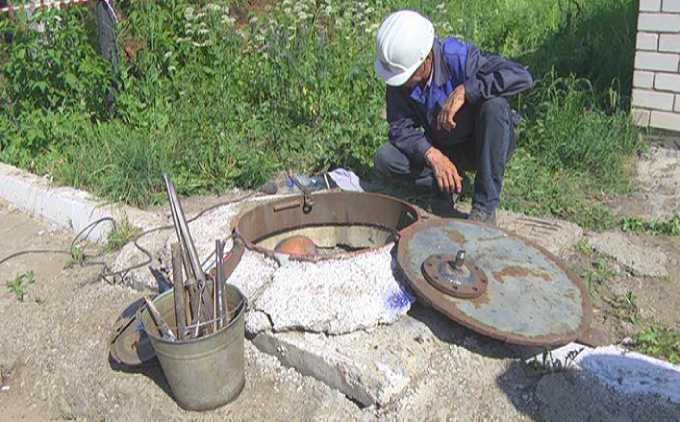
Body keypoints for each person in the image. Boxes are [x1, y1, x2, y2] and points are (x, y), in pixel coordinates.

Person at [373, 10, 533, 225]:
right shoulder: (400, 75)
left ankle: (484, 209)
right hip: (443, 146)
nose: (402, 83)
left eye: (407, 76)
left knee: (495, 106)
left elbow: (521, 76)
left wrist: (468, 90)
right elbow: (400, 128)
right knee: (386, 158)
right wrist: (431, 155)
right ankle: (452, 183)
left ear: (427, 59)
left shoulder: (458, 58)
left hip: (483, 143)